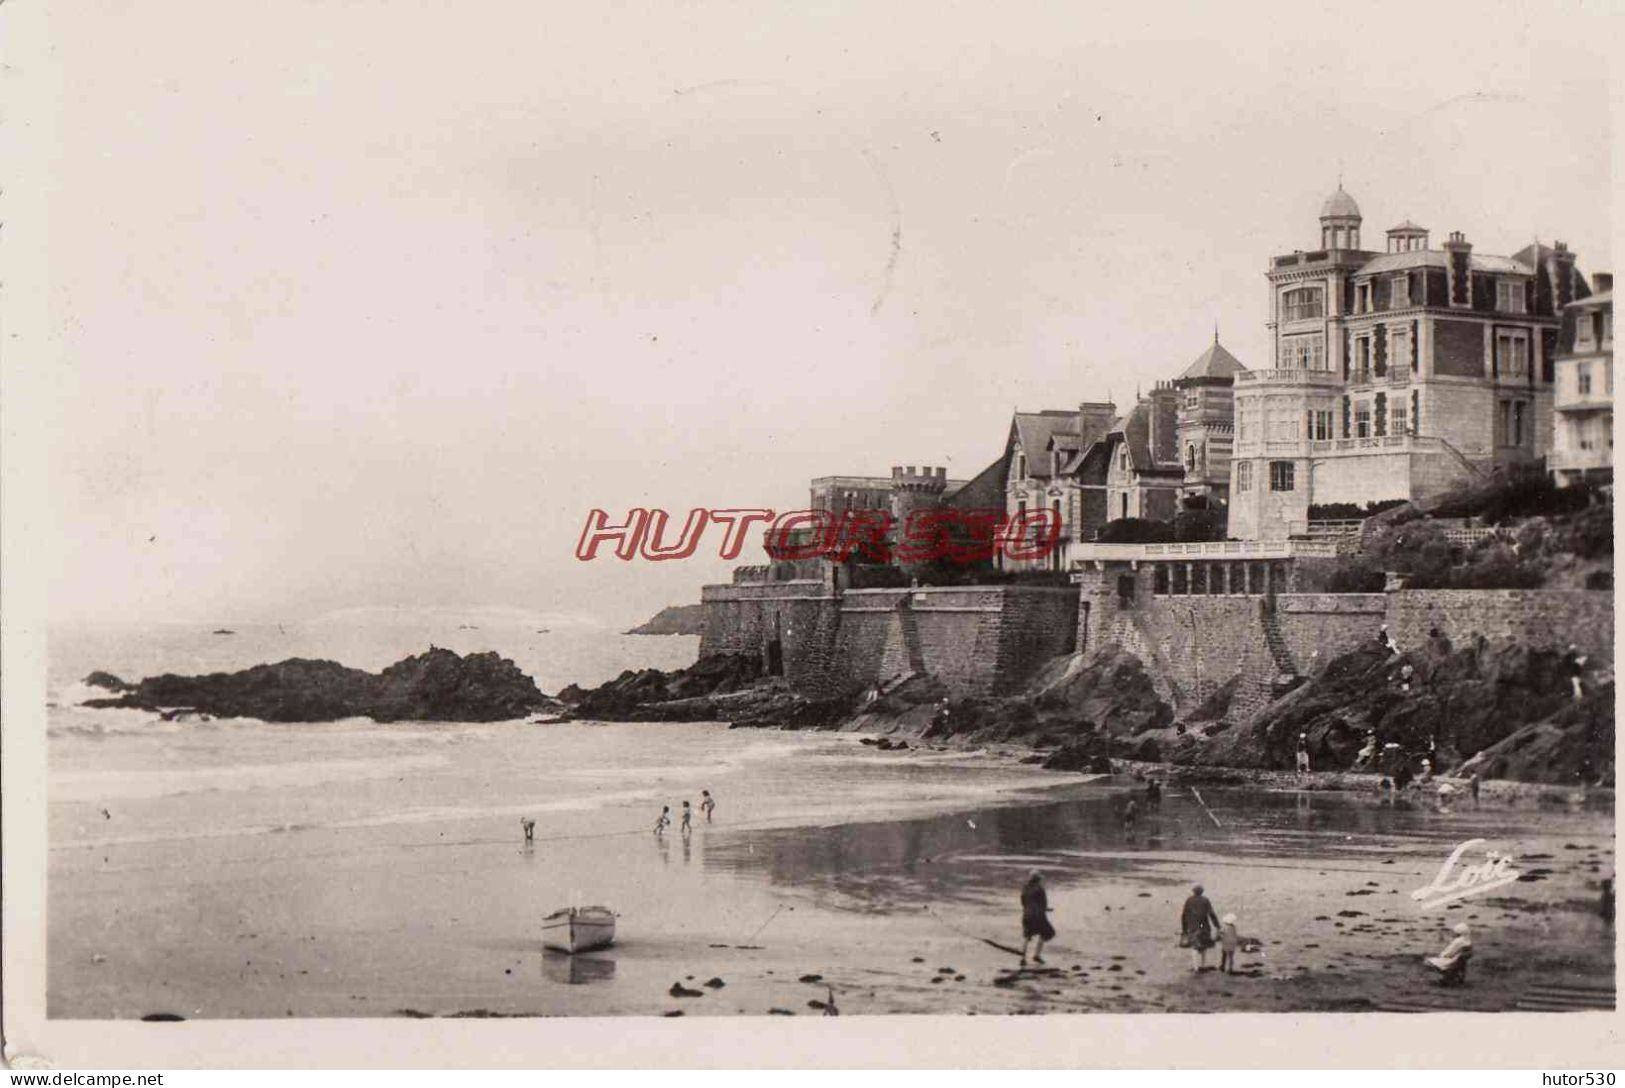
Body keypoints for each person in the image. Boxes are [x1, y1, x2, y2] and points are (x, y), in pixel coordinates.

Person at [1179, 884, 1221, 972]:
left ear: (1193, 891)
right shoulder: (1205, 900)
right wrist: (1217, 925)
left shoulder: (1189, 900)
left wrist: (1184, 929)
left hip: (1193, 926)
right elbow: (1211, 914)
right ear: (1202, 892)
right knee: (1204, 946)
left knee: (1194, 947)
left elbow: (1184, 915)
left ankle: (1195, 967)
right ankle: (1203, 965)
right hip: (1204, 925)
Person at [1020, 870, 1055, 967]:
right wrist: (1046, 909)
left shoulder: (1025, 888)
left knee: (1027, 935)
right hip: (1038, 915)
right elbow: (1043, 903)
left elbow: (1023, 901)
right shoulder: (1040, 889)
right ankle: (1037, 955)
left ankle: (1023, 958)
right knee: (1047, 932)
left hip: (1026, 914)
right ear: (1038, 880)